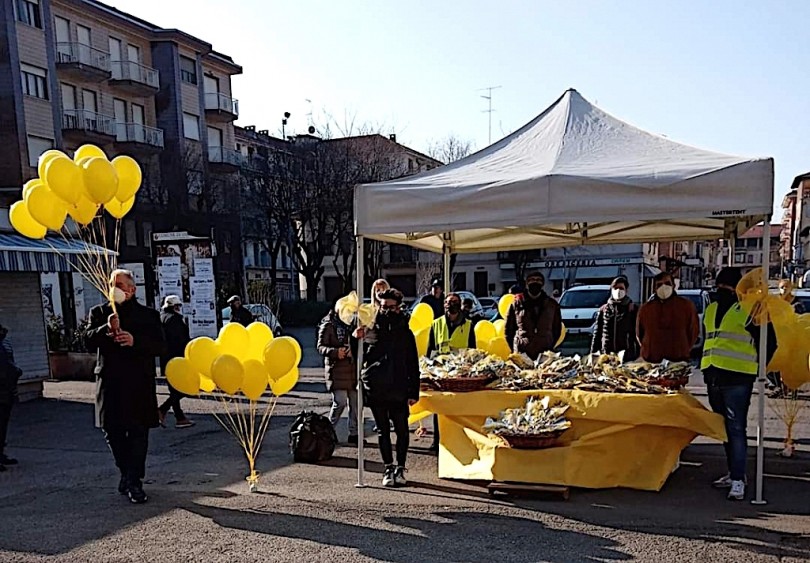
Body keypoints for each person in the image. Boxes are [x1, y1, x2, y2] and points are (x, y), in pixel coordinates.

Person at [85, 269, 166, 504]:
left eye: (119, 284)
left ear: (132, 289)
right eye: (111, 283)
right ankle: (126, 473)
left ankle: (134, 481)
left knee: (139, 432)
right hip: (110, 383)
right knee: (113, 431)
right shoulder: (99, 312)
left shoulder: (148, 315)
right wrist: (105, 329)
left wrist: (134, 341)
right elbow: (87, 341)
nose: (115, 288)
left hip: (138, 383)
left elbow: (160, 347)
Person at [702, 267, 775, 500]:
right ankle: (734, 472)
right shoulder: (711, 308)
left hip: (738, 378)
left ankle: (737, 480)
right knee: (725, 429)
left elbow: (768, 342)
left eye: (725, 286)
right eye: (719, 286)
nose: (721, 290)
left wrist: (762, 369)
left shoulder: (751, 309)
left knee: (736, 429)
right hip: (713, 376)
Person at [353, 288, 419, 488]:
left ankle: (400, 466)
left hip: (399, 387)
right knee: (382, 430)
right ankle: (388, 467)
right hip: (377, 387)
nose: (386, 310)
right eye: (383, 307)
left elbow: (413, 363)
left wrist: (413, 391)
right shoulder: (372, 328)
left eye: (391, 307)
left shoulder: (405, 333)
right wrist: (356, 338)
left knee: (401, 430)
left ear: (398, 307)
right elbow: (358, 356)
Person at [426, 292, 478, 452]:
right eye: (448, 302)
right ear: (444, 305)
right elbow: (430, 350)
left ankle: (459, 440)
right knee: (439, 408)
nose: (451, 305)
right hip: (441, 372)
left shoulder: (468, 325)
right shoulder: (436, 324)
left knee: (458, 408)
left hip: (460, 372)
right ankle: (437, 441)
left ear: (460, 305)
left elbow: (472, 350)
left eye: (455, 302)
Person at [318, 301, 358, 445]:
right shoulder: (328, 324)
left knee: (355, 403)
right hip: (336, 369)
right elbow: (320, 346)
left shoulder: (354, 325)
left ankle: (354, 433)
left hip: (352, 369)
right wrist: (335, 352)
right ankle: (327, 431)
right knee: (340, 402)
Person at [636, 272, 699, 363]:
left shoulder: (686, 306)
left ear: (673, 286)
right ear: (654, 288)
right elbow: (639, 334)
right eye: (659, 284)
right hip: (652, 362)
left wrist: (682, 349)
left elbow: (693, 332)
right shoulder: (646, 309)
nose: (663, 287)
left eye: (667, 283)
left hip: (678, 361)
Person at [505, 271, 562, 360]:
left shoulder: (552, 305)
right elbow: (508, 330)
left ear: (542, 284)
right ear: (527, 283)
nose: (535, 282)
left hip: (544, 353)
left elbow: (557, 328)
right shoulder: (517, 303)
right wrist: (515, 347)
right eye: (532, 280)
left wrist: (549, 343)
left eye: (538, 280)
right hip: (522, 352)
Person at [158, 295, 194, 429]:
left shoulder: (161, 318)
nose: (179, 308)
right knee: (184, 388)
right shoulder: (175, 320)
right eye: (177, 306)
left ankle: (180, 417)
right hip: (177, 359)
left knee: (174, 389)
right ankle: (162, 410)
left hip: (165, 359)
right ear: (174, 307)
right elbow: (181, 341)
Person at [591, 276, 639, 360]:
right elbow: (597, 333)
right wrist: (593, 353)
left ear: (626, 290)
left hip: (627, 355)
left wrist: (639, 354)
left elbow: (638, 334)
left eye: (621, 288)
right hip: (607, 354)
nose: (618, 291)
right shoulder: (604, 309)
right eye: (615, 288)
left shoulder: (632, 309)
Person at [0, 323, 22, 472]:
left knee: (3, 425)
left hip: (7, 390)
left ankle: (1, 453)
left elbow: (8, 363)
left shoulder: (4, 344)